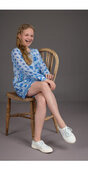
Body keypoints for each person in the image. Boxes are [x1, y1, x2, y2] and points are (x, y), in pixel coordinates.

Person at [11, 24, 75, 154]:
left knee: (42, 100)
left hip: (36, 84)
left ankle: (36, 141)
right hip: (22, 85)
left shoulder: (35, 52)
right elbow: (26, 70)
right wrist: (44, 80)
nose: (29, 37)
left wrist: (47, 74)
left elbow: (42, 66)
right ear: (19, 35)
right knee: (43, 85)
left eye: (32, 35)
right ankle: (61, 124)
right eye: (26, 35)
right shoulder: (15, 52)